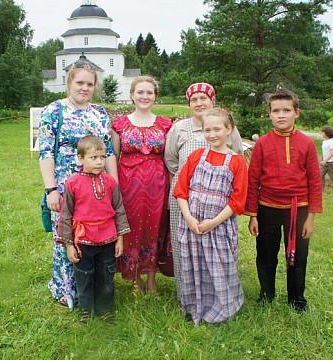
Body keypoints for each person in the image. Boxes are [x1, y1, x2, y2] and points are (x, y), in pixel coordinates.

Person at [38, 63, 118, 309]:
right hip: (66, 187)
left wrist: (114, 186)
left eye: (90, 84)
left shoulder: (100, 112)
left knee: (94, 236)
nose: (84, 88)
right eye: (80, 83)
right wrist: (51, 189)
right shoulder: (54, 110)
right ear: (69, 83)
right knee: (67, 237)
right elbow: (45, 151)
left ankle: (92, 287)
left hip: (97, 189)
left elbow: (110, 151)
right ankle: (66, 289)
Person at [245, 89, 322, 313]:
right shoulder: (261, 144)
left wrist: (311, 218)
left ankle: (297, 300)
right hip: (267, 209)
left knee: (297, 257)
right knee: (266, 256)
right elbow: (253, 181)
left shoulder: (307, 144)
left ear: (296, 113)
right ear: (269, 114)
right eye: (276, 111)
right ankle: (266, 295)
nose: (281, 115)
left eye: (286, 110)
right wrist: (253, 215)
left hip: (299, 210)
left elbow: (315, 182)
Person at [164, 82, 244, 299]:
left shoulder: (228, 129)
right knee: (185, 248)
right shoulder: (179, 128)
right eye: (193, 99)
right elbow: (171, 160)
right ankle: (187, 295)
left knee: (217, 248)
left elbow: (236, 156)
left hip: (219, 202)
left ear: (213, 100)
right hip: (184, 197)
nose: (199, 103)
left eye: (204, 98)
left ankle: (218, 295)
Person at [173, 108, 248, 325]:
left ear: (229, 129)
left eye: (217, 129)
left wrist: (214, 222)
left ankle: (223, 307)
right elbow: (181, 190)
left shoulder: (236, 161)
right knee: (194, 266)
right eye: (207, 130)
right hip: (193, 225)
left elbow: (238, 200)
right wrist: (188, 218)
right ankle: (194, 305)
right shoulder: (197, 156)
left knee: (220, 267)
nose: (212, 134)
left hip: (219, 227)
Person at [57, 135, 130, 324]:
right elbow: (66, 216)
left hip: (108, 240)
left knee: (106, 276)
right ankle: (85, 310)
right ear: (80, 159)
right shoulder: (72, 183)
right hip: (83, 242)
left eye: (102, 157)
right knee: (84, 277)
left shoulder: (111, 182)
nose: (99, 162)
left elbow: (119, 210)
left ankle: (104, 309)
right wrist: (68, 245)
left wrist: (120, 239)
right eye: (93, 158)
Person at [111, 76, 172, 294]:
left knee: (156, 229)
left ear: (155, 96)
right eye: (140, 92)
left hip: (158, 185)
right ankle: (135, 278)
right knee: (133, 230)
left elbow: (169, 158)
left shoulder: (165, 124)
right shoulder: (120, 124)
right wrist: (114, 188)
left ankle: (152, 279)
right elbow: (113, 157)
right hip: (128, 186)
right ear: (132, 95)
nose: (144, 96)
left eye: (149, 92)